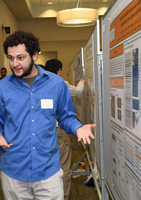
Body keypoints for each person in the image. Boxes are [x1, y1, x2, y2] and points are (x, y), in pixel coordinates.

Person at [0, 30, 95, 200]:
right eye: (11, 58)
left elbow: (66, 117)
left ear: (35, 55)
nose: (15, 64)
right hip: (13, 173)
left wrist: (77, 128)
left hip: (48, 173)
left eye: (21, 57)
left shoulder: (56, 84)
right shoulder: (1, 88)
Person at [45, 58, 85, 200]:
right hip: (58, 131)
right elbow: (79, 91)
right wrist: (82, 82)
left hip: (44, 131)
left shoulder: (40, 83)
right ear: (59, 70)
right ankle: (62, 196)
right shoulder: (59, 82)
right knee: (64, 165)